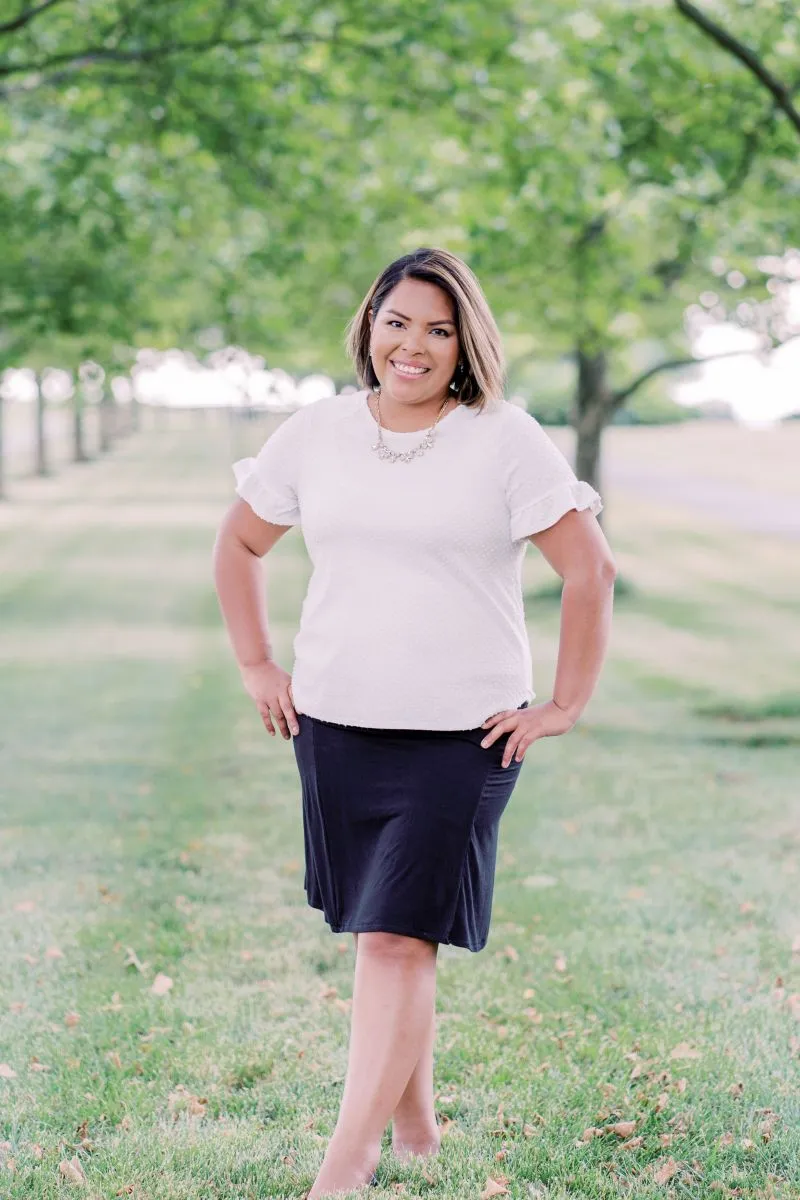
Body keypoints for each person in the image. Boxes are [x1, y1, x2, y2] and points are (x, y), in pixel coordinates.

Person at [212, 246, 616, 1197]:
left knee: (397, 937)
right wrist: (257, 661)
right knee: (385, 931)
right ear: (370, 326)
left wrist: (564, 705)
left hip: (462, 736)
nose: (415, 344)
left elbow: (590, 571)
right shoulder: (316, 432)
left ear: (464, 342)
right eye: (399, 321)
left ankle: (344, 1165)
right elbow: (239, 542)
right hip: (337, 725)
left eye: (439, 329)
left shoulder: (503, 437)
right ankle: (418, 1133)